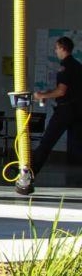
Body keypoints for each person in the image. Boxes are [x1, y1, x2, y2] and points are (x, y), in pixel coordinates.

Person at [19, 37, 82, 194]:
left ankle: (27, 178)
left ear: (62, 48)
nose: (55, 51)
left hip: (65, 111)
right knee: (78, 147)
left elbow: (61, 91)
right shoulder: (78, 66)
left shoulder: (65, 68)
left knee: (46, 143)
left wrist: (42, 95)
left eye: (56, 48)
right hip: (78, 111)